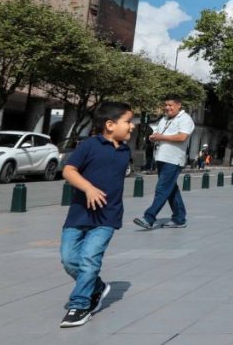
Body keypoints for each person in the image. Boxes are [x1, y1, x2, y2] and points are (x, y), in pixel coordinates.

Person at [58, 101, 134, 328]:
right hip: (78, 215)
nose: (132, 126)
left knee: (90, 259)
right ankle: (98, 287)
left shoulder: (124, 150)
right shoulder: (89, 145)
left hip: (107, 217)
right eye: (128, 122)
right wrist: (88, 188)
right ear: (110, 125)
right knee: (69, 260)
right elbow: (69, 170)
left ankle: (80, 304)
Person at [134, 96, 194, 231]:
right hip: (161, 157)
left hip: (173, 160)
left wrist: (161, 137)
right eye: (166, 105)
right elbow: (158, 133)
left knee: (162, 189)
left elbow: (182, 137)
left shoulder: (185, 119)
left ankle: (149, 218)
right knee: (171, 190)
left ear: (179, 105)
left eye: (171, 105)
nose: (167, 108)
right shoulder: (165, 119)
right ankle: (179, 219)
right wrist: (153, 137)